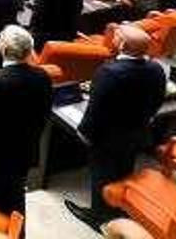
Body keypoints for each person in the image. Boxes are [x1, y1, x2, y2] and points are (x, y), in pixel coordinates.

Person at [66, 25, 168, 227]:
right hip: (137, 131)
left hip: (107, 137)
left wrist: (85, 132)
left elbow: (96, 108)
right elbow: (158, 100)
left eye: (117, 36)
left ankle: (98, 216)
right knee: (124, 169)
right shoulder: (156, 69)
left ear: (122, 45)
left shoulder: (109, 72)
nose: (113, 37)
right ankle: (119, 205)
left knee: (101, 173)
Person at [0, 26, 52, 217]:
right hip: (24, 152)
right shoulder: (43, 77)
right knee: (16, 199)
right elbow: (43, 116)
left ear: (3, 49)